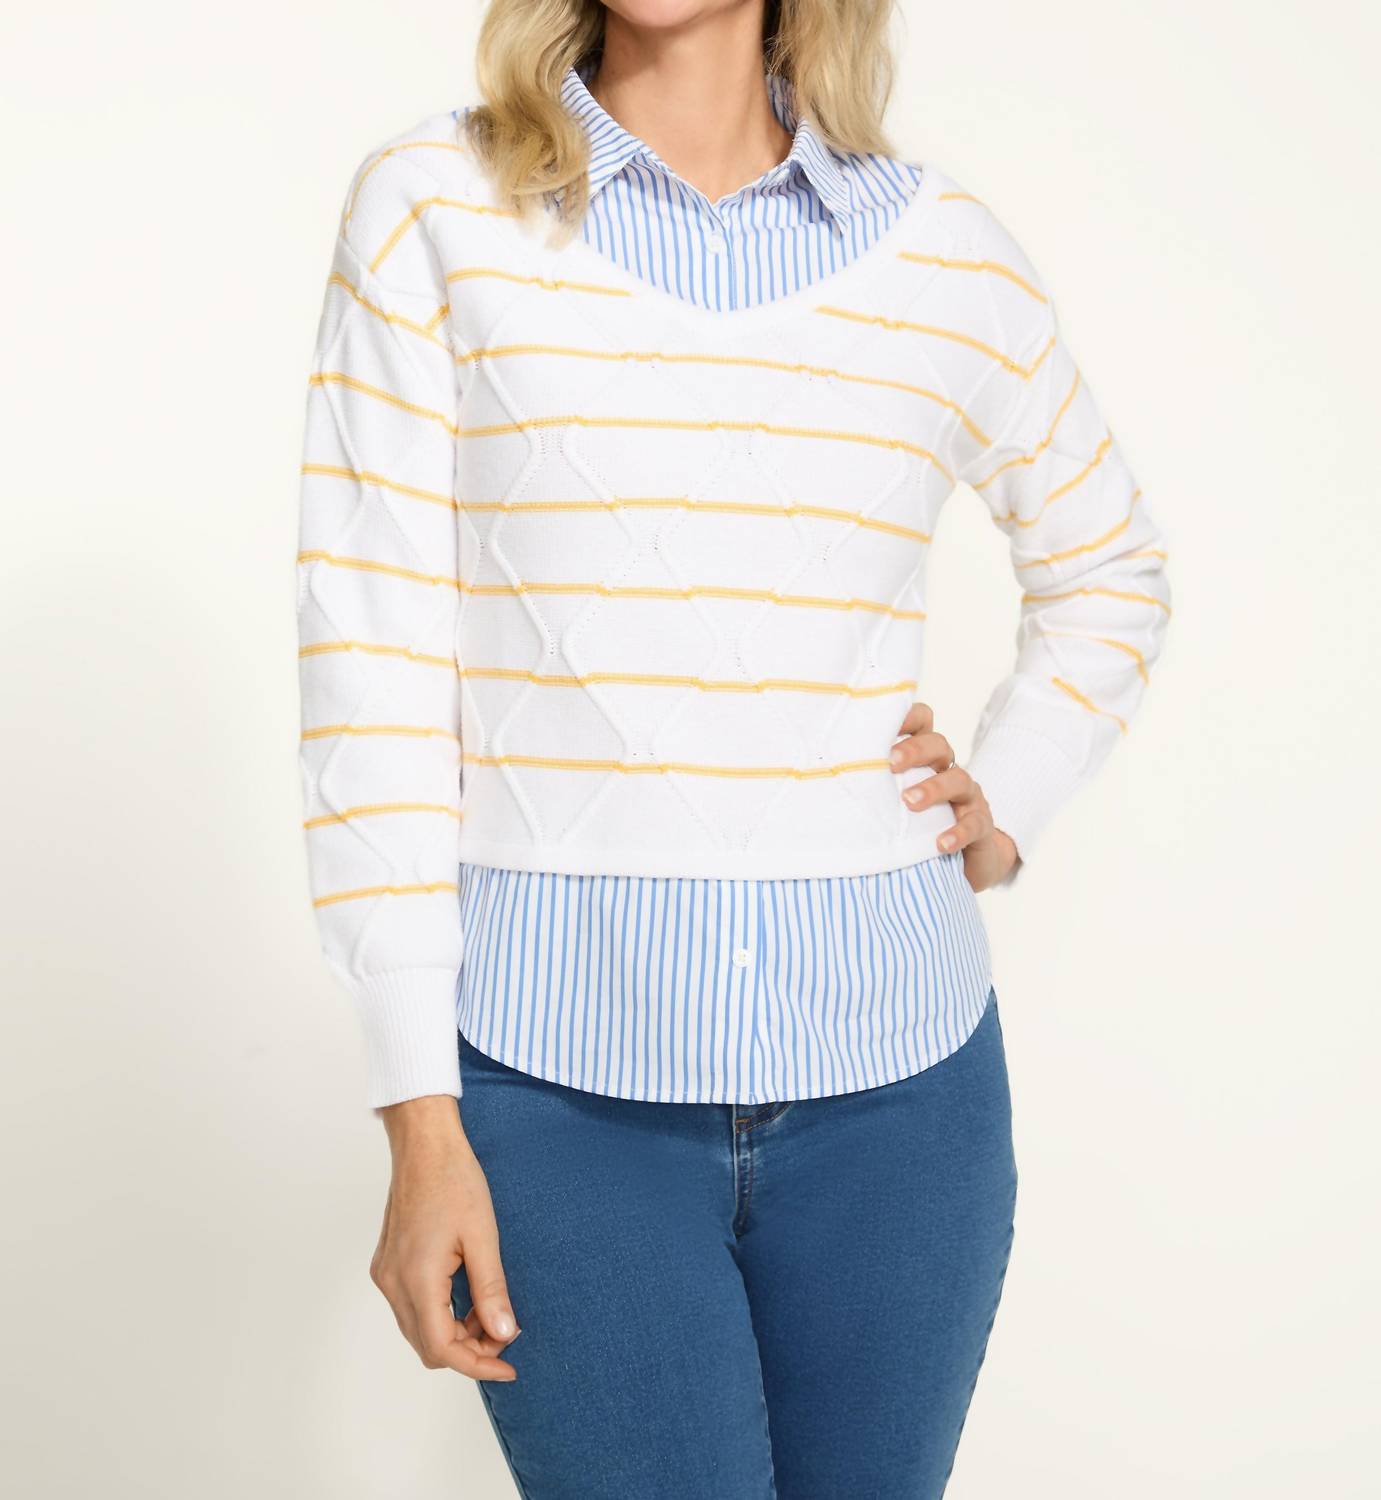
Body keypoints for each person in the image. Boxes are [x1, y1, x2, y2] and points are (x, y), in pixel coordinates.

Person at [294, 1, 1172, 1493]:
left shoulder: (942, 252)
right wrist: (417, 1119)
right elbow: (368, 667)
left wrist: (1006, 799)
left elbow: (1109, 570)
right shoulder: (434, 208)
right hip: (553, 1096)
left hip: (903, 1094)